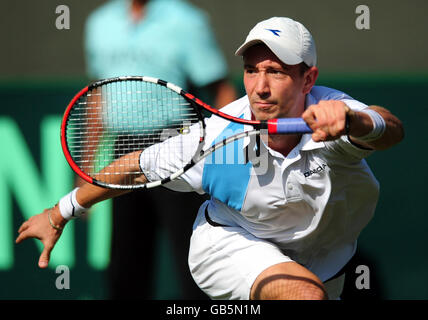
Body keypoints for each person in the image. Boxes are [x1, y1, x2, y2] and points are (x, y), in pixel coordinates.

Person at [16, 17, 404, 300]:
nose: (260, 87)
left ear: (308, 79)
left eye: (275, 72)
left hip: (327, 259)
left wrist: (355, 121)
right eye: (252, 71)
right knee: (303, 296)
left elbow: (389, 127)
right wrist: (58, 213)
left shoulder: (335, 114)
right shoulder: (216, 137)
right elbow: (134, 168)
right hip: (231, 242)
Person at [82, 0, 236, 299]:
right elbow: (97, 97)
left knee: (195, 259)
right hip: (124, 147)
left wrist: (233, 157)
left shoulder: (186, 20)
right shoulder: (100, 23)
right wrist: (86, 170)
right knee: (125, 265)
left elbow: (221, 91)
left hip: (178, 144)